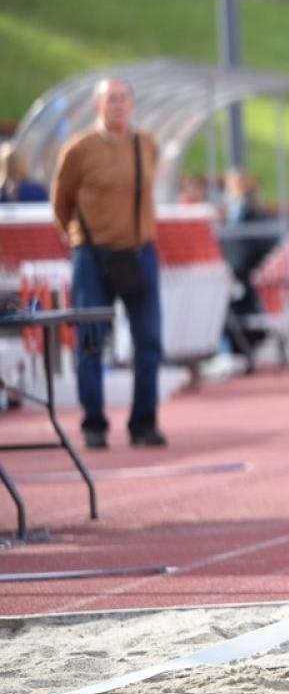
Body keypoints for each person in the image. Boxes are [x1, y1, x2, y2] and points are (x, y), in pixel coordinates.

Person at [50, 77, 166, 449]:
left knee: (149, 340)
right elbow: (60, 202)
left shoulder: (145, 144)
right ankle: (94, 422)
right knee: (90, 341)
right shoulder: (79, 149)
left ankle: (144, 422)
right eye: (110, 99)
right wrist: (78, 239)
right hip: (93, 255)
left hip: (139, 252)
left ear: (132, 104)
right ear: (98, 106)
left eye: (123, 99)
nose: (118, 105)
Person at [218, 168, 275, 369]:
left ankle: (235, 352)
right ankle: (233, 351)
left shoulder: (250, 214)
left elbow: (247, 250)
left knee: (228, 307)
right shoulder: (235, 213)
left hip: (247, 279)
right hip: (241, 275)